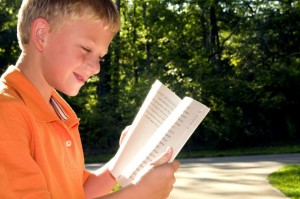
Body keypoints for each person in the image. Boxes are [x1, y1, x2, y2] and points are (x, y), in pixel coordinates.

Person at [0, 0, 180, 198]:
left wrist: (127, 157)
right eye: (86, 49)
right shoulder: (5, 111)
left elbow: (79, 192)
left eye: (100, 57)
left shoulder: (60, 112)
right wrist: (141, 193)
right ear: (42, 35)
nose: (96, 68)